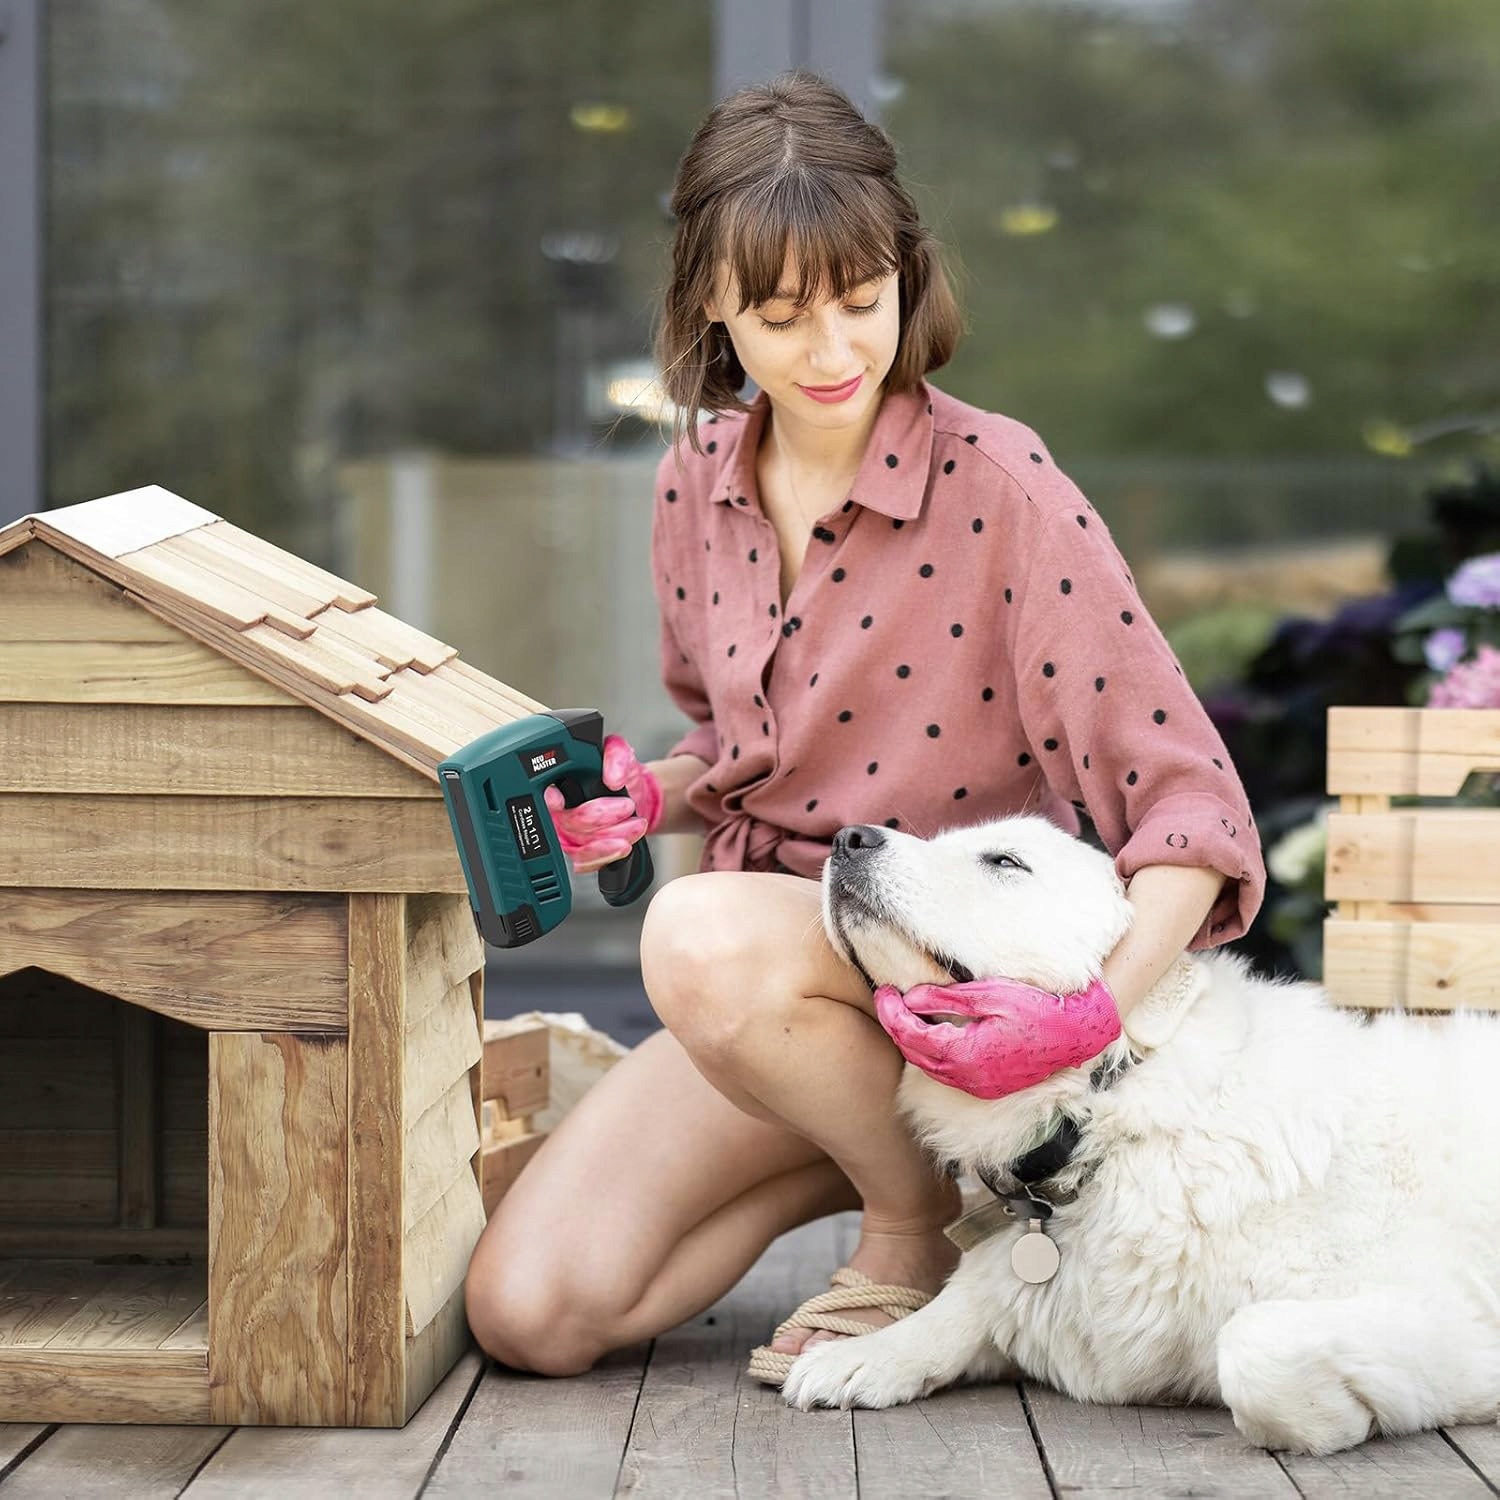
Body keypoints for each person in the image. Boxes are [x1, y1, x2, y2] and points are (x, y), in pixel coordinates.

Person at [464, 69, 1266, 1384]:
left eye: (860, 302)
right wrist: (647, 797)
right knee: (534, 1314)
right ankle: (880, 1158)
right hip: (779, 1011)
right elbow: (733, 756)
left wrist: (1086, 1020)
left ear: (908, 280)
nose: (831, 352)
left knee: (695, 932)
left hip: (955, 1012)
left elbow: (1193, 806)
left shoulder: (1004, 487)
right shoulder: (693, 484)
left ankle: (916, 1223)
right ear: (713, 303)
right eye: (782, 317)